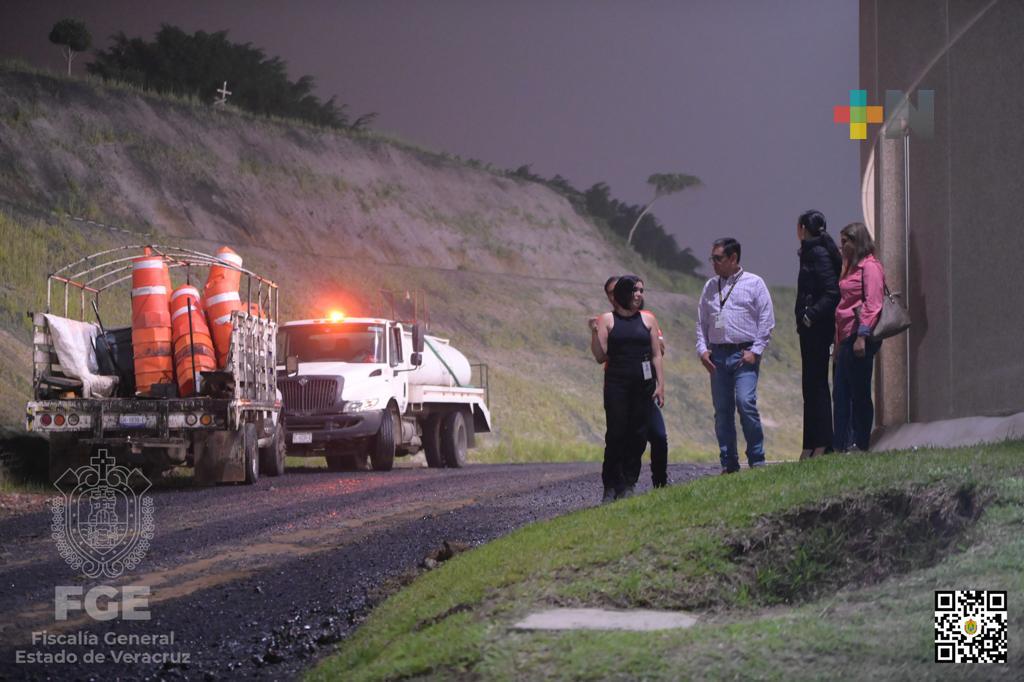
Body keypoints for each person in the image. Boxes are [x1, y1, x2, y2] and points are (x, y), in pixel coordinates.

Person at [695, 238, 775, 474]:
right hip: (717, 356)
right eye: (712, 258)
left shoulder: (754, 283)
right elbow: (701, 322)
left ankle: (757, 459)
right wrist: (702, 350)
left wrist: (756, 351)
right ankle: (729, 463)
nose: (714, 263)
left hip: (744, 354)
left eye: (718, 258)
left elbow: (767, 320)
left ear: (733, 258)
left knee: (745, 402)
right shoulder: (710, 286)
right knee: (722, 411)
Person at [589, 275, 665, 502]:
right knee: (616, 434)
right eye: (634, 290)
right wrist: (594, 332)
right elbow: (599, 356)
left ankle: (629, 483)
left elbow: (656, 354)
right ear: (624, 293)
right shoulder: (607, 320)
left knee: (639, 436)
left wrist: (661, 384)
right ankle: (612, 484)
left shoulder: (648, 320)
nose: (639, 294)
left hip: (643, 386)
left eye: (641, 290)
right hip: (617, 386)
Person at [833, 222, 885, 452]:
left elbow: (873, 304)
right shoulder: (850, 268)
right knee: (842, 393)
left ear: (858, 242)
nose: (842, 246)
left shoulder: (870, 267)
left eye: (847, 241)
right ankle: (842, 444)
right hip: (845, 337)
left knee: (859, 393)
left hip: (858, 334)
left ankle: (860, 442)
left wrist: (862, 336)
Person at [795, 210, 842, 460]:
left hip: (817, 329)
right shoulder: (811, 252)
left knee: (817, 386)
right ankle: (810, 445)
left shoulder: (818, 253)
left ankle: (822, 443)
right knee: (810, 386)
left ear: (803, 228)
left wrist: (809, 315)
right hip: (810, 330)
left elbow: (831, 292)